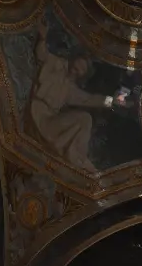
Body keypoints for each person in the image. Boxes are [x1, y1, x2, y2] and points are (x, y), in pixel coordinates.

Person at [29, 17, 132, 175]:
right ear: (74, 60)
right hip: (37, 113)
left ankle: (78, 157)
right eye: (78, 65)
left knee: (85, 118)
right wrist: (43, 38)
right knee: (85, 119)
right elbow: (42, 55)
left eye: (81, 70)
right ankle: (78, 158)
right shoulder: (56, 64)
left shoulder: (71, 90)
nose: (77, 70)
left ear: (82, 75)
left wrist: (114, 101)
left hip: (51, 120)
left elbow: (91, 99)